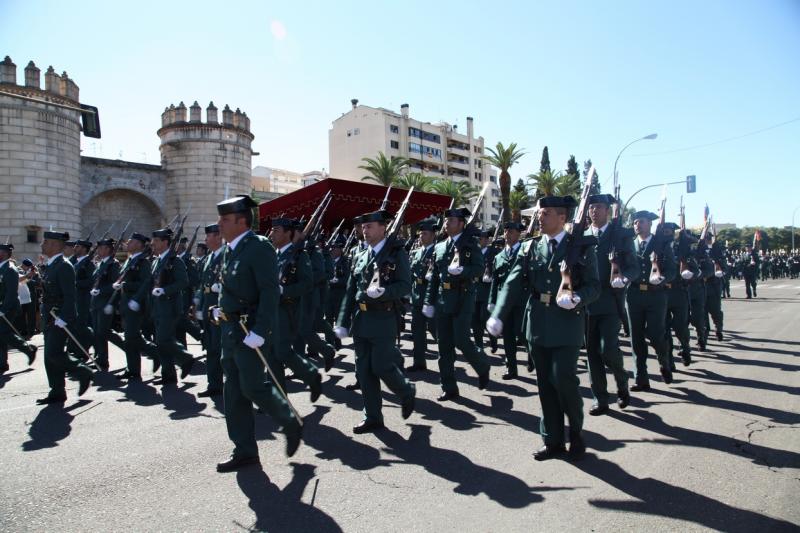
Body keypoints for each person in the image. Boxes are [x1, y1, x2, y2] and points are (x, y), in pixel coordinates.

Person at [487, 195, 600, 460]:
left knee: (563, 379)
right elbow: (512, 283)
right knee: (545, 385)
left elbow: (595, 286)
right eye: (540, 212)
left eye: (546, 213)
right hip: (537, 322)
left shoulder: (582, 247)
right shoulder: (529, 248)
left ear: (562, 218)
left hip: (567, 324)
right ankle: (552, 440)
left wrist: (578, 298)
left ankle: (576, 432)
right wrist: (499, 314)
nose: (540, 216)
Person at [212, 195, 302, 472]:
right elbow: (233, 288)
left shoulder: (258, 247)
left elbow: (269, 291)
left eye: (225, 220)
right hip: (230, 330)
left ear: (242, 221)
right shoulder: (230, 249)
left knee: (252, 387)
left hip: (249, 330)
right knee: (233, 392)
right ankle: (245, 450)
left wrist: (261, 330)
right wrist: (219, 308)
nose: (219, 225)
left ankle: (289, 421)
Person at [335, 209, 416, 433]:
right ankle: (372, 417)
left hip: (383, 318)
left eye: (369, 226)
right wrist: (342, 320)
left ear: (383, 228)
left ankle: (406, 390)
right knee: (364, 371)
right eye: (363, 227)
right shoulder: (360, 255)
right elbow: (350, 291)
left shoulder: (396, 253)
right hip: (361, 320)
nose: (365, 230)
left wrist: (383, 292)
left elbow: (405, 286)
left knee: (381, 366)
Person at [423, 207, 490, 401]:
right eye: (446, 220)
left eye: (451, 221)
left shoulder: (471, 244)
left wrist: (462, 271)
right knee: (444, 346)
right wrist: (429, 300)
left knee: (462, 340)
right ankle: (449, 387)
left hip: (463, 297)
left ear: (461, 224)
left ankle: (482, 365)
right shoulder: (440, 247)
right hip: (444, 299)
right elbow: (434, 277)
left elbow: (478, 269)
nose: (446, 223)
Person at [584, 194, 638, 415]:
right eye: (591, 208)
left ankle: (622, 380)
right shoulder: (582, 235)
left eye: (598, 207)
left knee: (608, 349)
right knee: (592, 354)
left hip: (610, 301)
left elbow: (634, 267)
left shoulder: (622, 235)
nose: (594, 211)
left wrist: (624, 278)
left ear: (608, 211)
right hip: (587, 302)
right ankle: (600, 398)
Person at [267, 218, 323, 401]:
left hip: (287, 311)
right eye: (272, 230)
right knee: (271, 355)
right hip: (270, 310)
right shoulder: (272, 254)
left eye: (276, 230)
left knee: (281, 351)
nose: (271, 234)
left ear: (288, 233)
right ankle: (278, 397)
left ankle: (310, 374)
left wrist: (285, 290)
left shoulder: (300, 255)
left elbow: (307, 284)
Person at [36, 230, 94, 404]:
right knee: (48, 357)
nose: (42, 244)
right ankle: (57, 391)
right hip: (49, 316)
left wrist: (64, 317)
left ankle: (82, 371)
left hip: (59, 317)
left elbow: (70, 296)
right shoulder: (51, 265)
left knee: (54, 354)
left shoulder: (64, 266)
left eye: (45, 242)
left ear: (54, 245)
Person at [626, 211, 677, 390]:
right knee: (636, 337)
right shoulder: (629, 244)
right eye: (635, 222)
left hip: (656, 295)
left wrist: (662, 278)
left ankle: (664, 362)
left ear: (650, 224)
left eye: (641, 222)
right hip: (633, 295)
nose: (637, 225)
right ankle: (641, 377)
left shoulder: (661, 244)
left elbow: (672, 270)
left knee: (656, 335)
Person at [148, 227, 195, 386]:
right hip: (157, 307)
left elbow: (183, 282)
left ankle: (185, 358)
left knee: (163, 340)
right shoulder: (156, 261)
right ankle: (168, 375)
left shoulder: (175, 260)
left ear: (165, 242)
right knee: (161, 343)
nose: (152, 243)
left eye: (156, 240)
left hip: (169, 307)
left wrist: (165, 290)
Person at [488, 221, 526, 380]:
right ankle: (511, 368)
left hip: (521, 300)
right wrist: (492, 300)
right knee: (508, 337)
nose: (508, 235)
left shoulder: (526, 252)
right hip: (505, 302)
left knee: (524, 334)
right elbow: (495, 280)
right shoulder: (499, 256)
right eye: (506, 232)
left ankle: (532, 359)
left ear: (519, 234)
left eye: (512, 232)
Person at [116, 232, 155, 382]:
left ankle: (157, 354)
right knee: (129, 339)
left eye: (131, 242)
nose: (127, 244)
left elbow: (146, 283)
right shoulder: (128, 261)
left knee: (133, 338)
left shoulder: (142, 262)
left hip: (135, 305)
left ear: (139, 245)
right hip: (126, 303)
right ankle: (132, 369)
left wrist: (126, 285)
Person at [195, 224, 225, 397]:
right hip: (208, 307)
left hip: (220, 308)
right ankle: (214, 384)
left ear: (217, 237)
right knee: (210, 347)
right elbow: (203, 283)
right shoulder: (209, 258)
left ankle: (229, 384)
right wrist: (198, 304)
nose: (205, 240)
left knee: (220, 347)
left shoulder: (227, 255)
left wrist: (221, 287)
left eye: (208, 236)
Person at [0, 242, 37, 374]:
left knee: (3, 333)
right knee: (1, 335)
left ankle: (28, 349)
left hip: (8, 307)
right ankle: (2, 363)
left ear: (4, 254)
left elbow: (11, 292)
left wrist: (3, 310)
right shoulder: (1, 267)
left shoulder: (10, 269)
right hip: (2, 305)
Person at [407, 217, 438, 371]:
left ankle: (448, 355)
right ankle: (419, 362)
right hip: (417, 296)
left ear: (433, 235)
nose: (421, 236)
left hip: (431, 296)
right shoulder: (417, 252)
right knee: (417, 330)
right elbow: (412, 273)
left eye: (425, 234)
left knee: (435, 329)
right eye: (420, 234)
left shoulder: (438, 251)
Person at [89, 238, 123, 371]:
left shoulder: (113, 264)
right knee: (98, 332)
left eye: (101, 248)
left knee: (102, 332)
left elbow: (116, 285)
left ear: (108, 249)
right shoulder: (100, 263)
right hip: (96, 303)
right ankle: (99, 357)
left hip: (105, 303)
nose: (98, 250)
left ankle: (103, 361)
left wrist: (101, 291)